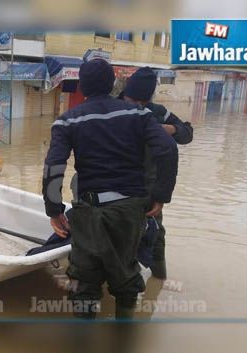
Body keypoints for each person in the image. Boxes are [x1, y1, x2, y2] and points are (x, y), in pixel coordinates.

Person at [42, 58, 179, 320]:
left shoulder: (67, 121)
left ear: (82, 85)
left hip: (89, 211)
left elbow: (54, 166)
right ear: (113, 84)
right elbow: (168, 149)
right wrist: (160, 196)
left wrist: (54, 209)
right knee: (127, 281)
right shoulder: (139, 115)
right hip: (129, 211)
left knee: (83, 283)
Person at [121, 67, 194, 279]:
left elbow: (187, 134)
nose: (136, 106)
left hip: (147, 190)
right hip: (116, 186)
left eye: (141, 103)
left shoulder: (158, 113)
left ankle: (158, 279)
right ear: (124, 94)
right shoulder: (112, 107)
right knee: (116, 236)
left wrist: (168, 129)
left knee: (155, 235)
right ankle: (124, 284)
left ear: (148, 99)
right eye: (131, 100)